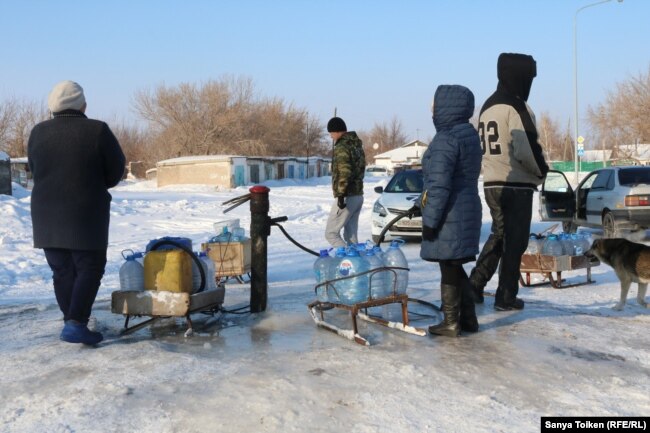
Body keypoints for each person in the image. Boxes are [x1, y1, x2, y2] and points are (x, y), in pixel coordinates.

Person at [28, 80, 126, 345]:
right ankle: (75, 323)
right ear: (83, 104)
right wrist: (93, 182)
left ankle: (71, 320)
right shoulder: (97, 130)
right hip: (85, 213)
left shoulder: (37, 132)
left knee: (62, 270)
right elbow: (116, 170)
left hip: (46, 213)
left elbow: (34, 169)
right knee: (90, 267)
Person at [468, 53, 549, 311]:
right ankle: (505, 297)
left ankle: (474, 286)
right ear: (520, 77)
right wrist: (542, 173)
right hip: (516, 185)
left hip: (491, 182)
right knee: (515, 242)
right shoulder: (517, 106)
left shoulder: (487, 107)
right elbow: (526, 149)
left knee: (499, 236)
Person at [417, 84, 483, 337]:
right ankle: (468, 319)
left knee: (449, 266)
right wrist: (419, 205)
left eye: (433, 105)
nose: (431, 110)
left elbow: (440, 183)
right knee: (454, 266)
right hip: (465, 208)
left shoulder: (446, 138)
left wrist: (430, 220)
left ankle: (451, 321)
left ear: (445, 106)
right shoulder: (467, 133)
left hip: (450, 214)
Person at [324, 117, 366, 248]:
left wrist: (341, 194)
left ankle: (348, 260)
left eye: (331, 133)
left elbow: (344, 171)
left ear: (336, 131)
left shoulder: (342, 146)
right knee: (351, 236)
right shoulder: (356, 145)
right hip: (358, 195)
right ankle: (358, 265)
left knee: (331, 233)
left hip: (347, 196)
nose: (331, 137)